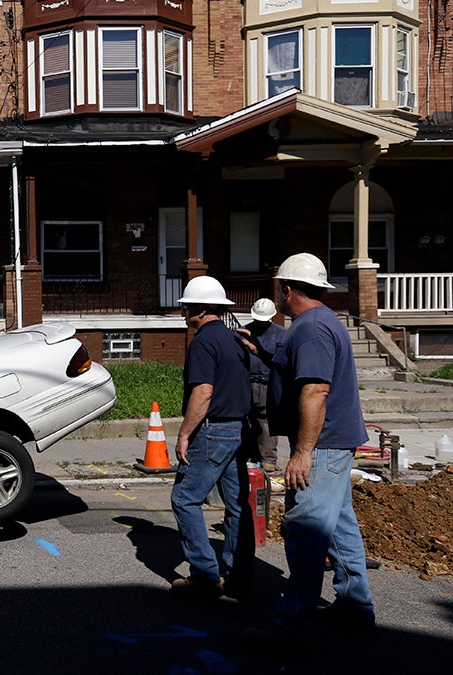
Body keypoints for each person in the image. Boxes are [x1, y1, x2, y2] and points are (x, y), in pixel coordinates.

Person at [245, 253, 375, 652]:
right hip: (334, 442)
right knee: (338, 524)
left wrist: (302, 452)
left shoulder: (310, 329)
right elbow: (302, 374)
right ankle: (355, 605)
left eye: (278, 289)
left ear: (286, 290)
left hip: (322, 445)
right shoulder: (320, 323)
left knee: (306, 530)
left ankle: (294, 626)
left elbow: (316, 389)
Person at [170, 275, 254, 600]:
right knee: (236, 505)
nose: (185, 311)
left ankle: (205, 575)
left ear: (203, 308)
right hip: (238, 430)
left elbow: (203, 392)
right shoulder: (234, 340)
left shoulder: (203, 342)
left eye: (189, 306)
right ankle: (238, 577)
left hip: (213, 430)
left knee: (184, 499)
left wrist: (184, 434)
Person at [244, 298, 288, 472]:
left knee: (266, 421)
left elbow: (282, 361)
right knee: (247, 420)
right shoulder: (244, 332)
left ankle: (268, 458)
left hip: (268, 383)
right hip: (246, 382)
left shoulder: (281, 334)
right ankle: (250, 455)